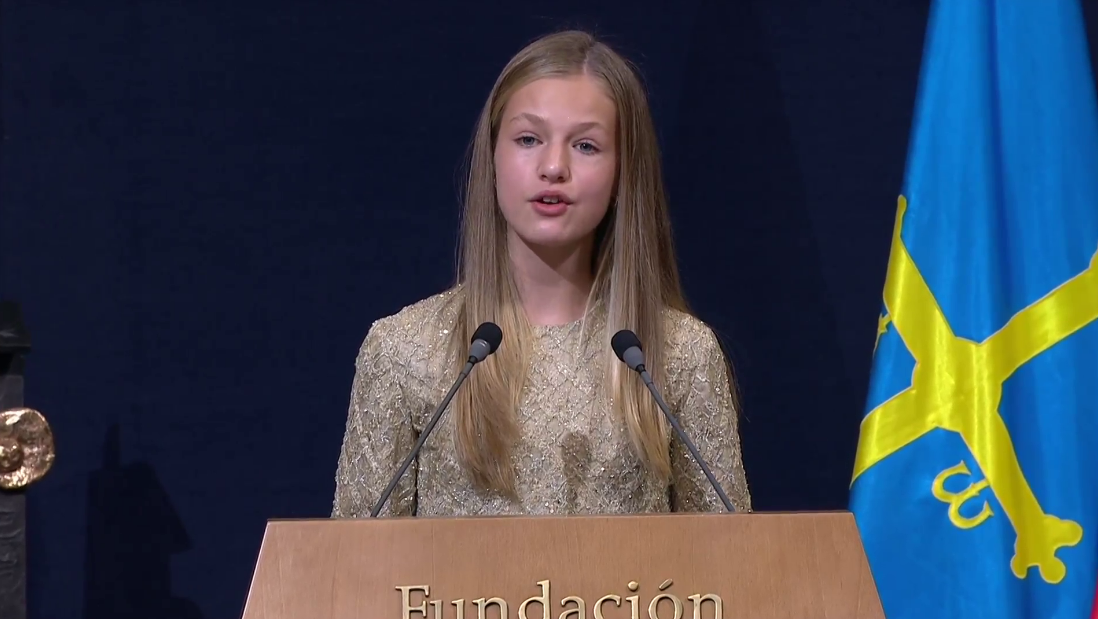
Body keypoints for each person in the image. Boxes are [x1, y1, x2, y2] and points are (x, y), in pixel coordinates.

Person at [331, 30, 751, 518]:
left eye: (587, 146)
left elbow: (729, 570)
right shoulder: (403, 351)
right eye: (529, 139)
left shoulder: (681, 355)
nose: (554, 167)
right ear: (493, 158)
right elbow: (355, 574)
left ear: (623, 173)